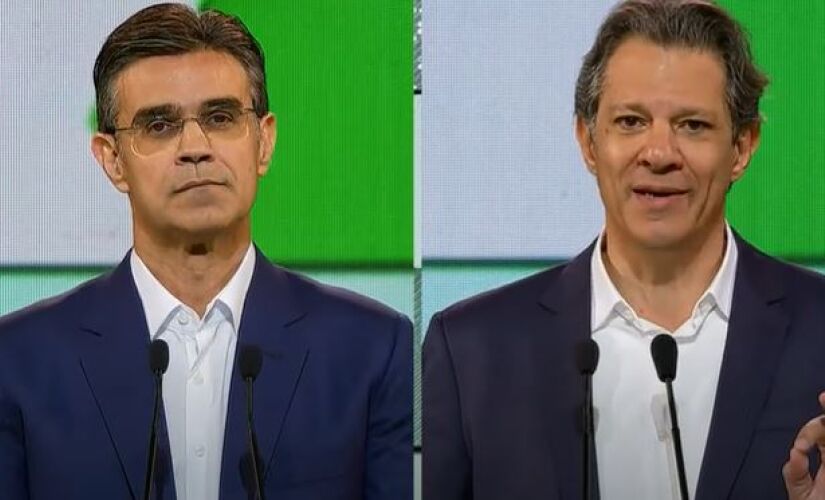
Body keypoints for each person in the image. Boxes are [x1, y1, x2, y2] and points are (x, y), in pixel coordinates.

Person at [0, 4, 412, 499]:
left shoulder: (374, 349)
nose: (195, 147)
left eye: (220, 117)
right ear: (112, 161)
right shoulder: (18, 360)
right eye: (159, 125)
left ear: (264, 142)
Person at [423, 0, 825, 499]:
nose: (658, 154)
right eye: (631, 122)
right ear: (588, 141)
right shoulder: (472, 350)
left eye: (692, 125)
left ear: (742, 146)